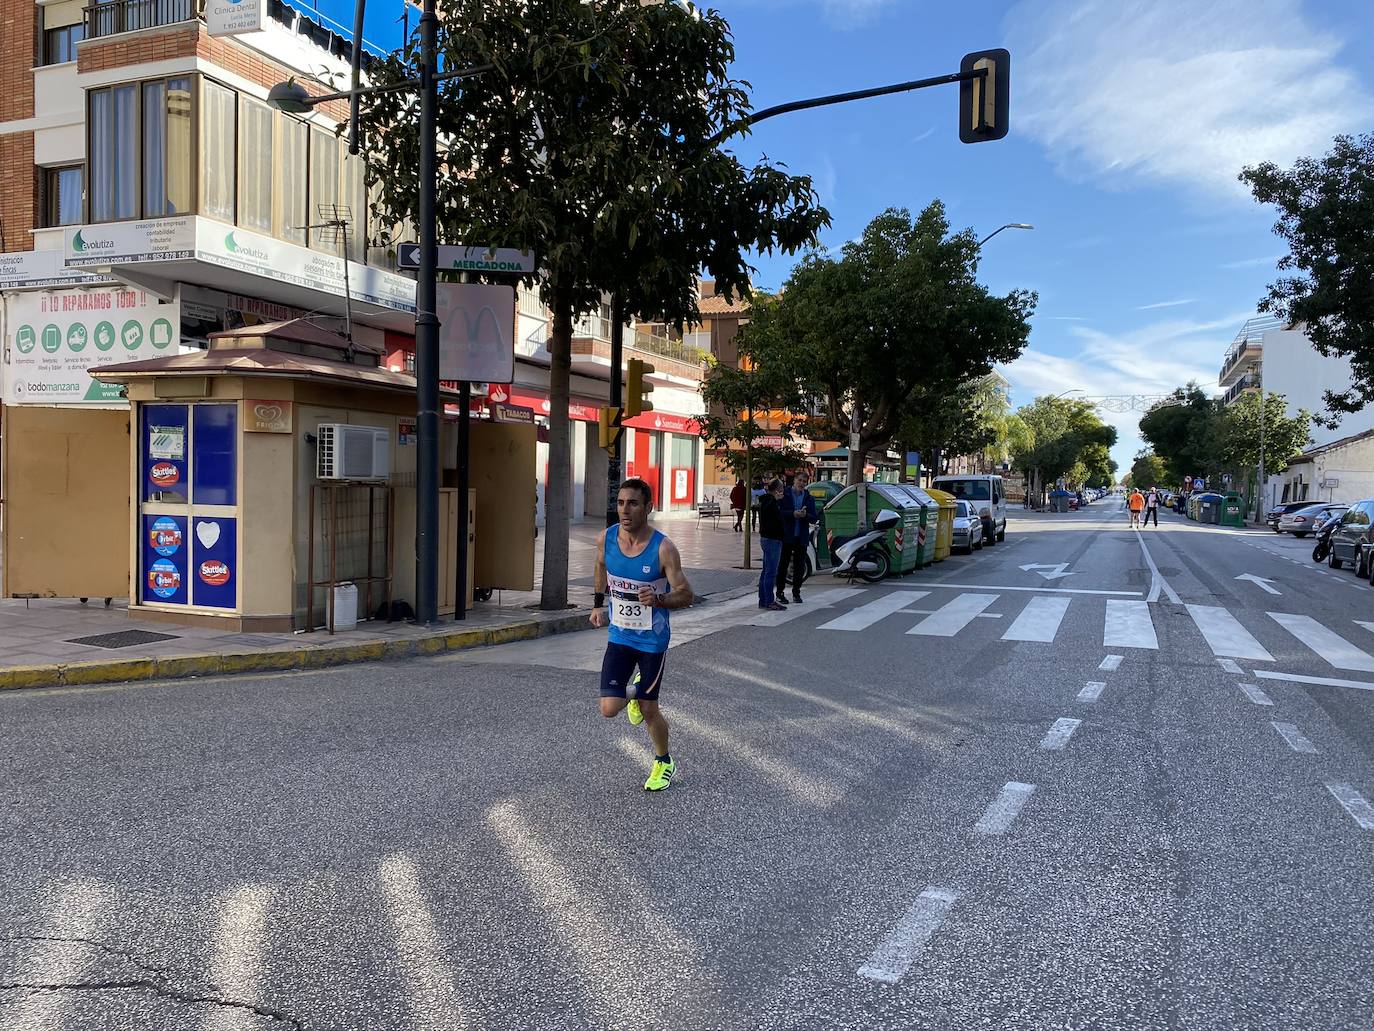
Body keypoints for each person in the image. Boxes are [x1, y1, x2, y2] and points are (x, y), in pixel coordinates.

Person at [590, 478, 694, 792]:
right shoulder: (606, 539)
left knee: (650, 710)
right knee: (608, 708)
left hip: (652, 640)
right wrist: (598, 604)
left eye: (633, 503)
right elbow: (599, 567)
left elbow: (686, 594)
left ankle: (664, 761)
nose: (625, 510)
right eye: (621, 503)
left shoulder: (663, 548)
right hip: (620, 635)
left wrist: (660, 600)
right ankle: (635, 692)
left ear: (647, 507)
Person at [776, 470, 818, 605]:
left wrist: (805, 515)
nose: (801, 483)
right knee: (783, 565)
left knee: (799, 566)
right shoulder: (786, 494)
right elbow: (779, 513)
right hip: (787, 535)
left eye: (804, 482)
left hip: (802, 536)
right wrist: (792, 514)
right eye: (799, 480)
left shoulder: (808, 497)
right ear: (794, 480)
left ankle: (796, 592)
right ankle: (780, 593)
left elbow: (814, 517)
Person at [757, 478, 787, 612]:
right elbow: (777, 520)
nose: (783, 490)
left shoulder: (765, 501)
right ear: (777, 490)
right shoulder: (771, 502)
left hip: (767, 539)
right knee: (771, 572)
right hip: (772, 539)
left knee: (766, 571)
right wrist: (778, 501)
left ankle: (763, 600)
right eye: (781, 487)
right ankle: (769, 601)